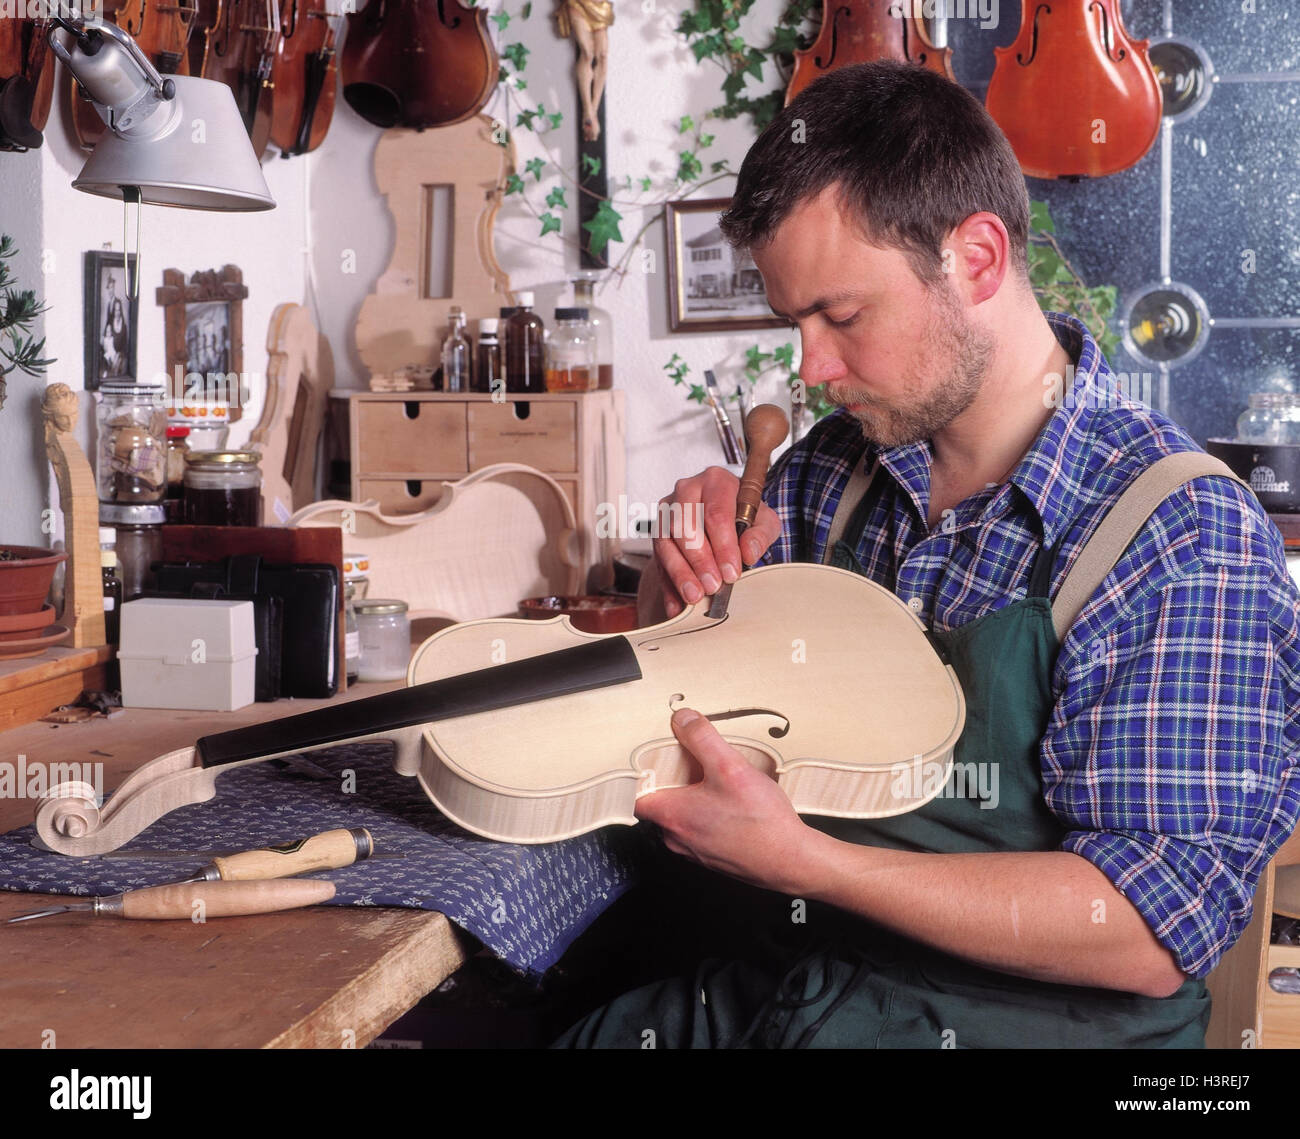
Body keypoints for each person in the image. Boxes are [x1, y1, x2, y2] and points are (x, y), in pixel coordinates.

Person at [554, 61, 1300, 1048]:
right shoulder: (831, 472)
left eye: (843, 316)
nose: (812, 369)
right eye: (796, 323)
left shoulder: (1178, 534)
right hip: (789, 994)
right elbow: (698, 680)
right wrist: (675, 570)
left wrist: (807, 864)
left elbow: (1149, 929)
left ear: (977, 259)